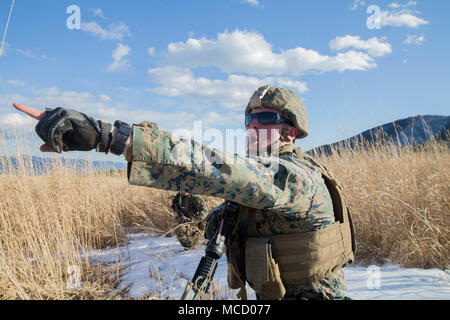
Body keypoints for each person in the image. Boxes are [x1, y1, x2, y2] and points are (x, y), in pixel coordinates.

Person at [13, 85, 355, 300]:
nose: (253, 126)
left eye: (264, 117)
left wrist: (111, 138)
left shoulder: (295, 179)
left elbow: (225, 169)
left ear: (291, 131)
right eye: (248, 118)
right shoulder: (251, 195)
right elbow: (196, 237)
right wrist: (188, 207)